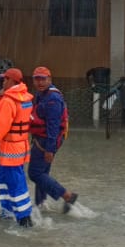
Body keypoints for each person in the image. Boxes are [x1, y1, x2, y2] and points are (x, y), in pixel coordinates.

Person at [0, 67, 35, 228]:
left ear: (12, 81)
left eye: (5, 79)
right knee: (3, 178)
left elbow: (1, 129)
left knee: (15, 181)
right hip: (19, 147)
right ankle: (8, 211)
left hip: (11, 149)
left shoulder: (9, 101)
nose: (2, 82)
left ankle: (24, 218)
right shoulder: (24, 98)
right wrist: (0, 97)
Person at [27, 66, 79, 213]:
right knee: (42, 174)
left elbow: (53, 126)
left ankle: (67, 195)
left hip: (47, 141)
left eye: (43, 79)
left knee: (35, 174)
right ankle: (41, 204)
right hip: (43, 139)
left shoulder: (53, 99)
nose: (40, 82)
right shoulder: (41, 94)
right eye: (37, 79)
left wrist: (50, 149)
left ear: (50, 80)